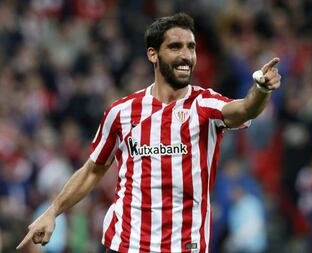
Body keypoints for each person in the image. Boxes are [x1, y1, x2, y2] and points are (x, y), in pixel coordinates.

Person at [17, 13, 281, 253]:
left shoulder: (205, 106)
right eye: (176, 46)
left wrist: (262, 90)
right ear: (153, 54)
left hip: (183, 246)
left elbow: (246, 109)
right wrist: (53, 211)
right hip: (126, 244)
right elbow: (92, 170)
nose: (186, 55)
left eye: (191, 47)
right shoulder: (121, 112)